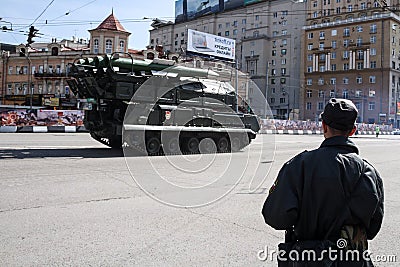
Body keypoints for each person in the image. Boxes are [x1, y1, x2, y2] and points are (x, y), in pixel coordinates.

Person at [262, 98, 384, 266]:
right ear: (353, 130)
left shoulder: (299, 166)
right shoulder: (370, 174)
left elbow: (276, 217)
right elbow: (372, 229)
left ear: (323, 126)